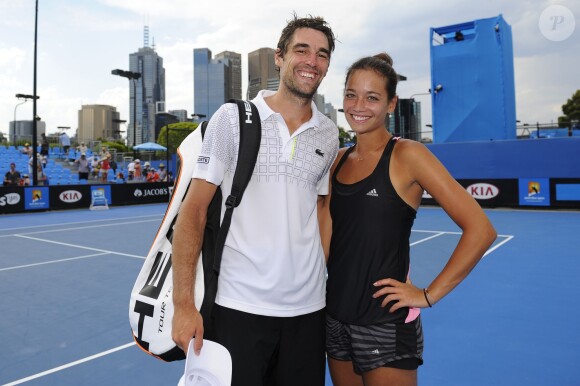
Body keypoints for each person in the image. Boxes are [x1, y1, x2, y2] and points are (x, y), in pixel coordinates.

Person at [171, 14, 339, 386]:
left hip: (309, 314)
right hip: (237, 310)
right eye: (302, 50)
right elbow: (194, 211)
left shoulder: (329, 133)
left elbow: (321, 209)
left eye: (322, 54)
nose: (312, 61)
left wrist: (321, 274)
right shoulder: (233, 120)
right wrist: (183, 304)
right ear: (279, 57)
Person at [319, 53, 497, 386]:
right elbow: (325, 244)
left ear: (391, 103)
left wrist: (429, 294)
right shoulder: (337, 161)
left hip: (385, 323)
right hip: (335, 319)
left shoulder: (408, 155)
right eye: (351, 94)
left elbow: (481, 229)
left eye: (372, 97)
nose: (359, 105)